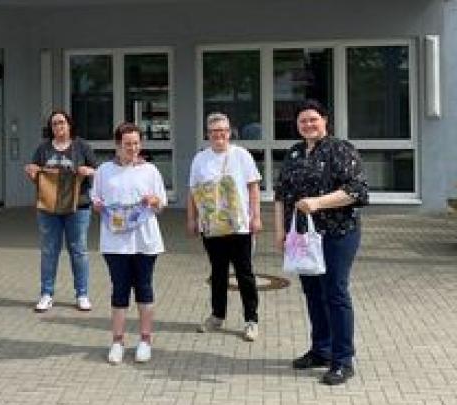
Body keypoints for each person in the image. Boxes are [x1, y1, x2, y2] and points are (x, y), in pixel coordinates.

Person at [273, 100, 368, 386]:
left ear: (325, 120)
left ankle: (343, 360)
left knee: (335, 292)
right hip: (304, 236)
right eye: (303, 121)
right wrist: (280, 232)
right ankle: (321, 350)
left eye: (313, 119)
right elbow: (281, 195)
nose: (308, 125)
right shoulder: (294, 153)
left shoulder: (340, 149)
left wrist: (318, 202)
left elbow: (357, 191)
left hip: (338, 233)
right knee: (313, 293)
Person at [91, 123, 167, 364]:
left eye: (136, 143)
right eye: (127, 144)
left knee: (144, 288)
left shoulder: (150, 171)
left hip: (145, 241)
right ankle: (117, 341)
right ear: (117, 145)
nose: (132, 148)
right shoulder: (104, 171)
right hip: (115, 243)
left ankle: (145, 340)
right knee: (119, 289)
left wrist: (153, 201)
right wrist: (98, 206)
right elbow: (96, 199)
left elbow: (161, 204)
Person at [186, 112, 263, 341]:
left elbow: (253, 187)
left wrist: (256, 217)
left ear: (229, 132)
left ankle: (251, 320)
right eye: (214, 132)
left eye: (222, 131)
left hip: (239, 226)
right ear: (208, 134)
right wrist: (191, 219)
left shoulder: (242, 155)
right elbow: (192, 191)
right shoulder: (200, 159)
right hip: (211, 226)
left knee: (244, 273)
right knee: (217, 272)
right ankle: (217, 315)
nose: (218, 135)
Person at [24, 110, 97, 312]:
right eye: (54, 123)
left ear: (69, 124)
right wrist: (32, 172)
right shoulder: (43, 149)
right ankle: (46, 294)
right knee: (49, 251)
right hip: (48, 207)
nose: (58, 127)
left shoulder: (81, 146)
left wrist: (88, 171)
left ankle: (82, 294)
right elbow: (36, 176)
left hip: (78, 206)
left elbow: (97, 170)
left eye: (62, 122)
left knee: (79, 250)